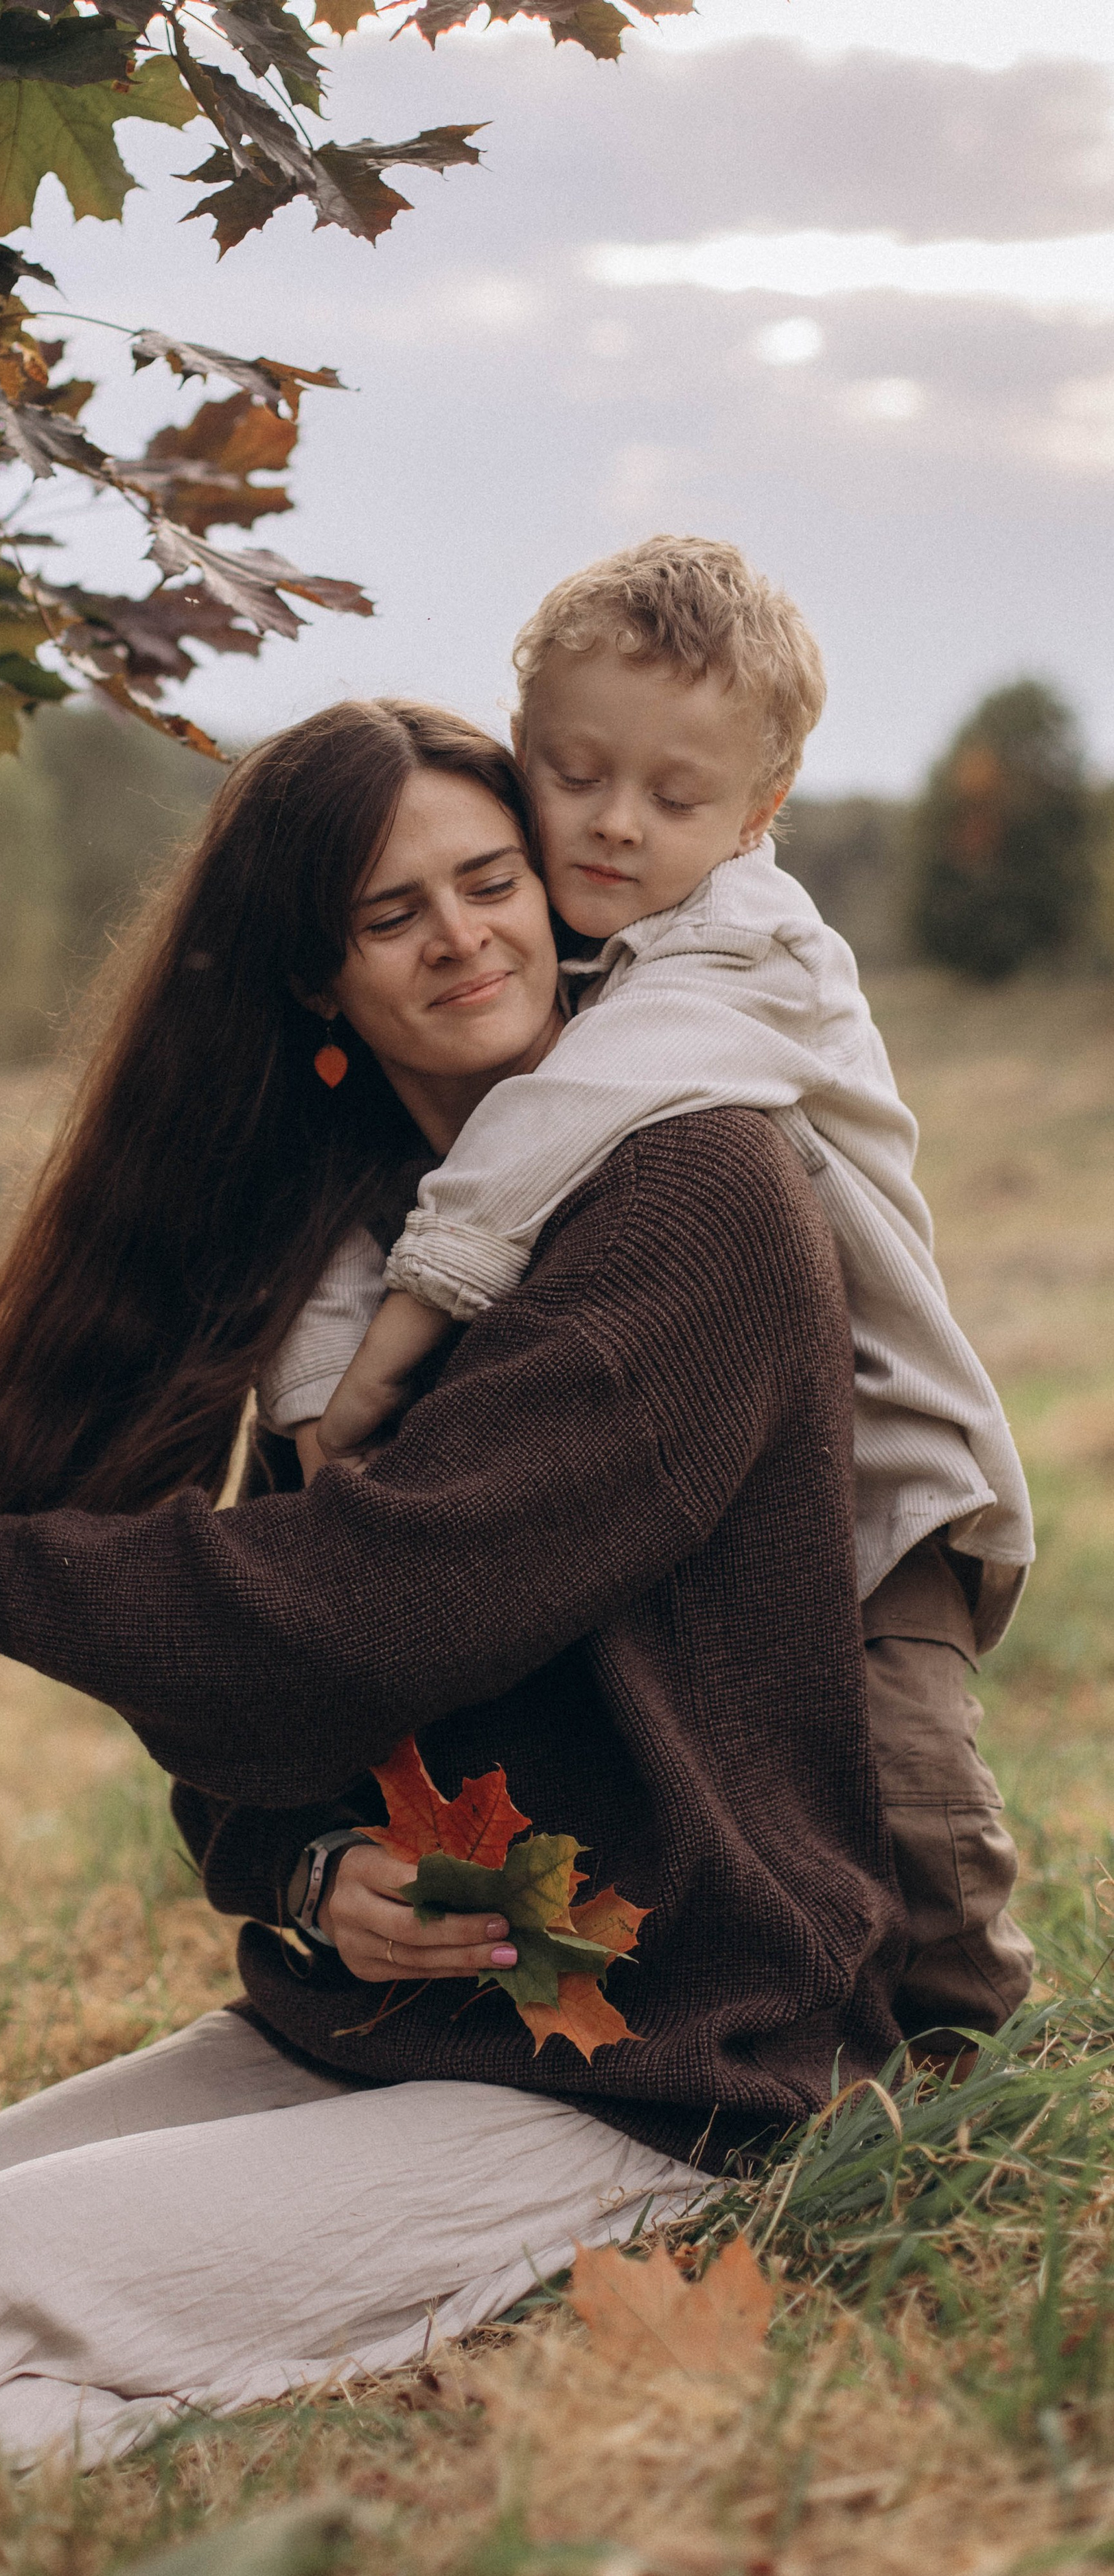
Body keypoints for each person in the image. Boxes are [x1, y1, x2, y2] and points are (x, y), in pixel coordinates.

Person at [0, 701, 909, 2472]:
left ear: (558, 894)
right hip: (405, 2017)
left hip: (670, 2062)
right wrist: (307, 1868)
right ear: (315, 981)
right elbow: (258, 1699)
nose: (463, 937)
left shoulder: (690, 1190)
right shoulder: (357, 1248)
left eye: (493, 880)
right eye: (390, 915)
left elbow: (381, 1598)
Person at [278, 541, 1033, 2048]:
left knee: (905, 1803)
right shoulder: (562, 949)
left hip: (883, 1487)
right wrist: (307, 1400)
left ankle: (974, 2058)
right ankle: (798, 2028)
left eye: (675, 800)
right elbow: (328, 1227)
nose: (613, 824)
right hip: (732, 1506)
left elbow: (536, 1142)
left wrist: (387, 1361)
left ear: (758, 815)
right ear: (517, 749)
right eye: (571, 773)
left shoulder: (745, 962)